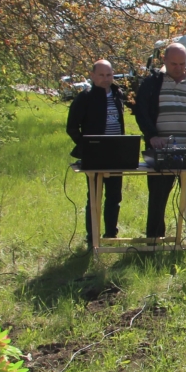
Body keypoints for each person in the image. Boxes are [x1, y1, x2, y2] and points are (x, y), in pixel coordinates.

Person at [133, 43, 186, 237]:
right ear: (164, 60)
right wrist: (152, 135)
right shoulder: (152, 83)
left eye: (182, 64)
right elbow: (142, 111)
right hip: (162, 151)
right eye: (174, 64)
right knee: (158, 198)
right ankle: (155, 238)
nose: (178, 68)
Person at [66, 59, 127, 244]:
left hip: (116, 153)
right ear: (92, 76)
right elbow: (72, 127)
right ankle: (92, 237)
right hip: (94, 155)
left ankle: (111, 235)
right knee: (94, 196)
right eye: (101, 75)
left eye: (109, 75)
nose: (105, 79)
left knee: (114, 196)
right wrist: (86, 146)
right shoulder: (85, 97)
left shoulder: (118, 94)